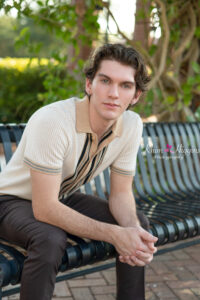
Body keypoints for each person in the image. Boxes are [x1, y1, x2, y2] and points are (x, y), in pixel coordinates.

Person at [0, 43, 158, 300]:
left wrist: (131, 233)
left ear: (136, 95)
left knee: (137, 222)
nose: (113, 93)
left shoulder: (131, 124)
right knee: (49, 238)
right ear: (89, 84)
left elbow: (120, 194)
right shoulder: (53, 121)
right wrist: (116, 235)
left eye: (125, 85)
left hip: (60, 195)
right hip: (9, 202)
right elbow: (45, 209)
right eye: (105, 80)